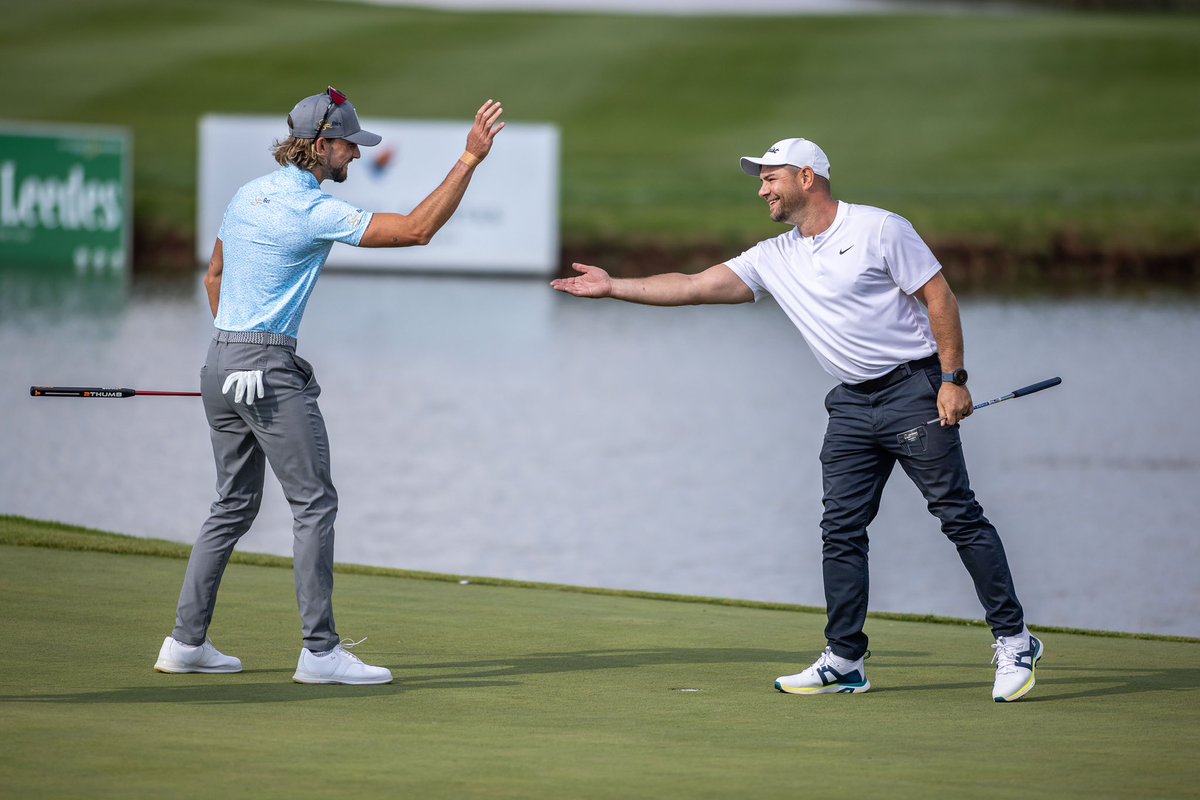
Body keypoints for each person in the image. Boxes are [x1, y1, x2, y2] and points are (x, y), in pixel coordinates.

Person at [551, 137, 1042, 702]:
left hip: (915, 389)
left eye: (770, 178)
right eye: (760, 180)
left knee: (957, 515)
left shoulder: (879, 229)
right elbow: (693, 286)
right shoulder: (773, 256)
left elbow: (940, 297)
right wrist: (614, 287)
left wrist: (954, 379)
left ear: (807, 177)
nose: (762, 190)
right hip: (852, 406)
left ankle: (1014, 639)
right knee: (840, 529)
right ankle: (846, 659)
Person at [154, 87, 505, 685]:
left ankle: (185, 644)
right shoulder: (312, 209)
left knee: (231, 505)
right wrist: (469, 158)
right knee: (314, 506)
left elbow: (215, 276)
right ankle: (320, 653)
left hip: (220, 361)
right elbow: (417, 231)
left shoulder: (246, 195)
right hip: (264, 369)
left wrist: (235, 355)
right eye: (348, 146)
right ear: (320, 147)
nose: (356, 156)